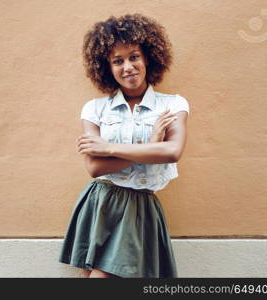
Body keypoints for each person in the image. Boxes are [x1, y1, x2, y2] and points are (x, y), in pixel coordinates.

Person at [58, 13, 189, 278]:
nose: (127, 66)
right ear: (107, 67)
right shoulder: (95, 108)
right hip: (101, 200)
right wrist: (150, 147)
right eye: (117, 61)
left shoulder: (173, 104)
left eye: (133, 57)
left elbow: (172, 151)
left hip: (140, 206)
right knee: (93, 276)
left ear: (148, 58)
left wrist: (108, 148)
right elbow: (94, 167)